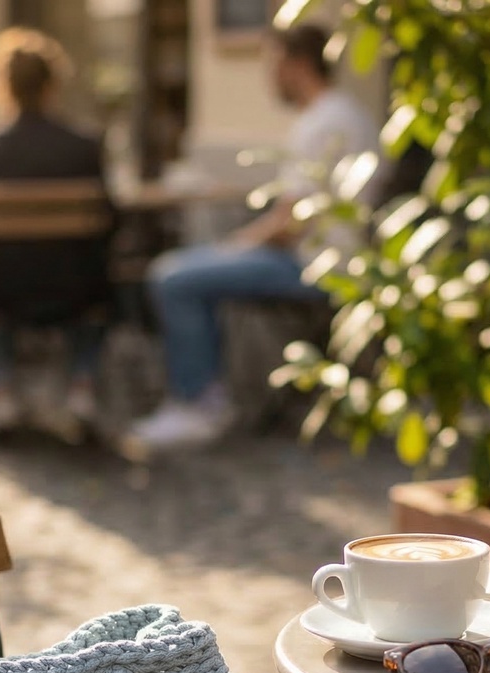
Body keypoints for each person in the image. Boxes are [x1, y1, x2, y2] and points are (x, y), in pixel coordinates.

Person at [120, 23, 379, 456]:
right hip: (344, 262)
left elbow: (292, 221)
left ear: (296, 66)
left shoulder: (319, 123)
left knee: (174, 276)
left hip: (314, 266)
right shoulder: (352, 115)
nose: (268, 77)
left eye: (272, 64)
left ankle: (199, 404)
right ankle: (208, 392)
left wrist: (240, 243)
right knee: (194, 268)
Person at [0, 28, 112, 436]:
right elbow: (112, 217)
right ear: (53, 85)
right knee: (106, 284)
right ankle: (81, 386)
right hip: (77, 289)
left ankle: (2, 391)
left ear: (3, 85)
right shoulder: (84, 146)